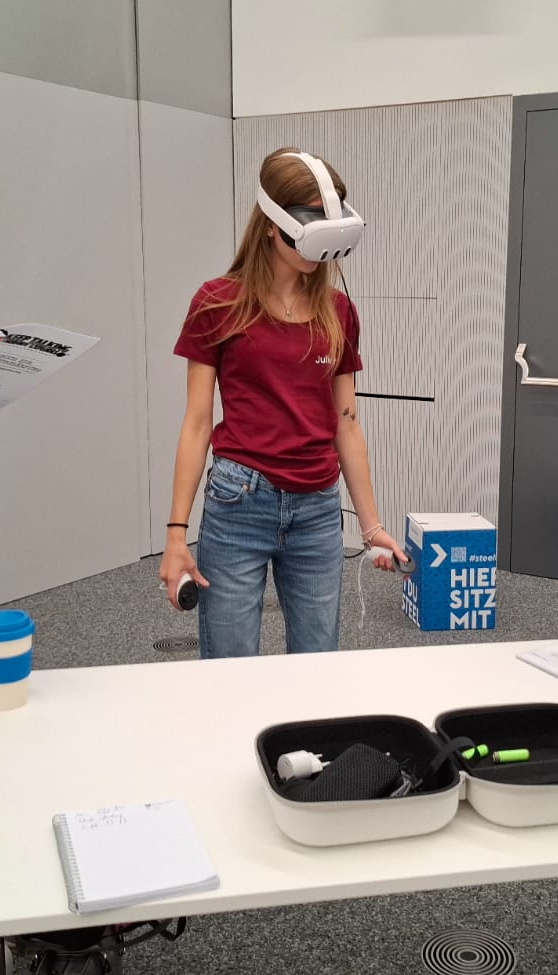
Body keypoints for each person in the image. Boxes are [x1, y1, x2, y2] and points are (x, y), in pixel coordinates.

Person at [160, 148, 407, 656]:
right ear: (272, 225)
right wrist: (176, 535)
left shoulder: (338, 311)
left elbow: (346, 421)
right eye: (312, 218)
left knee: (315, 664)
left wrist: (372, 526)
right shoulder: (218, 302)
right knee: (229, 666)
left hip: (317, 508)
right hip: (239, 499)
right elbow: (198, 423)